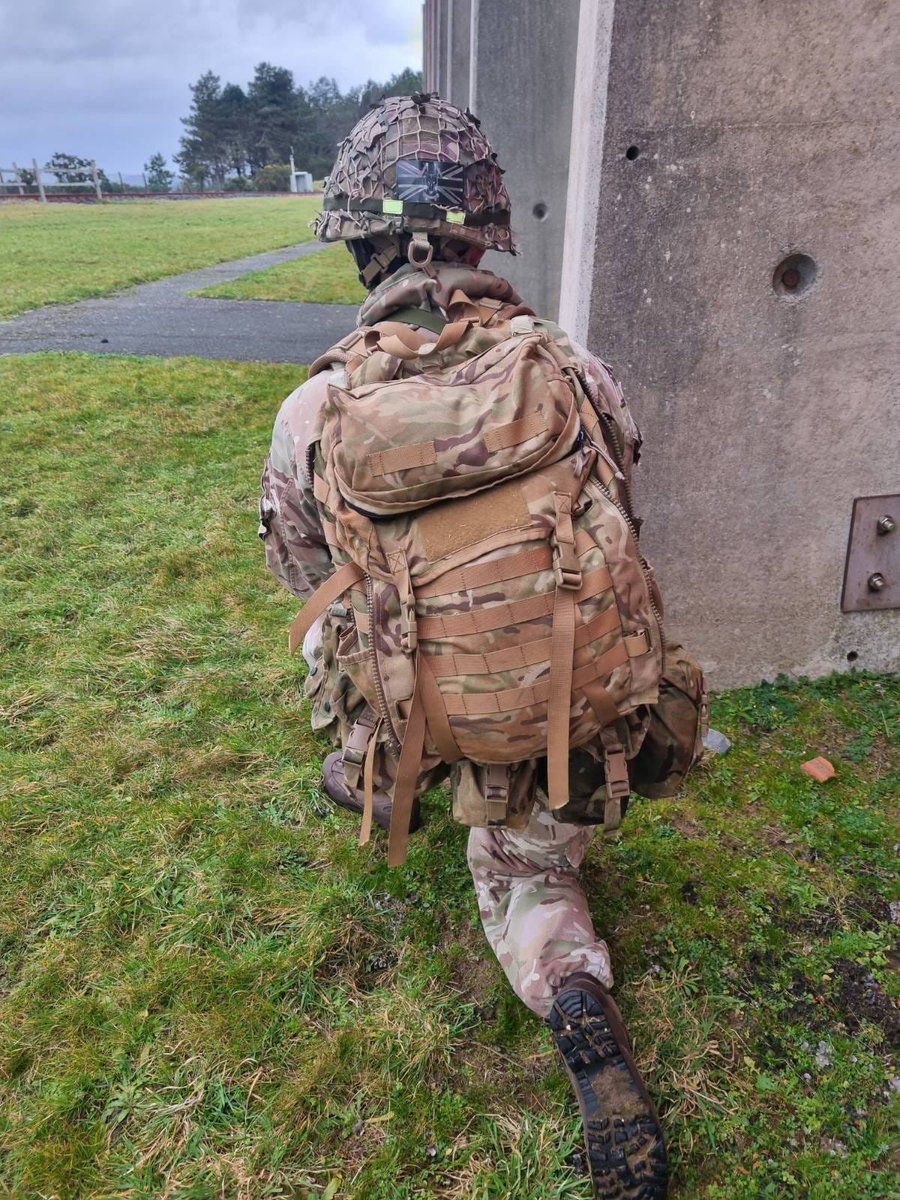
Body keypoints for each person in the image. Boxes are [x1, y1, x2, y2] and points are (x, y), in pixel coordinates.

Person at [259, 93, 669, 1200]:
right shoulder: (572, 368)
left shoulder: (316, 412)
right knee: (531, 867)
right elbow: (624, 504)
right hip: (562, 700)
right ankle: (570, 982)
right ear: (489, 231)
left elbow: (303, 575)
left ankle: (381, 767)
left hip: (415, 698)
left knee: (334, 634)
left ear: (358, 242)